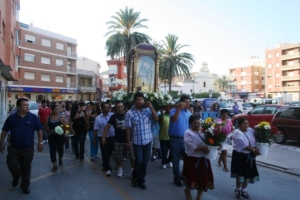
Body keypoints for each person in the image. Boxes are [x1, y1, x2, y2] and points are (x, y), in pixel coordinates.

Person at [0, 98, 43, 194]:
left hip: (28, 148)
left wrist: (40, 143)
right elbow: (4, 130)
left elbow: (39, 130)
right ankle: (16, 175)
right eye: (25, 105)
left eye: (27, 105)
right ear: (19, 107)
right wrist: (1, 143)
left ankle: (25, 185)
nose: (27, 106)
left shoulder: (33, 117)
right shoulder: (11, 118)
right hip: (13, 147)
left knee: (26, 167)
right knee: (11, 164)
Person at [125, 92, 158, 189]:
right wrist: (128, 142)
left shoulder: (148, 110)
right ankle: (134, 178)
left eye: (141, 99)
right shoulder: (129, 113)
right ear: (134, 101)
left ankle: (141, 180)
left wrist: (151, 107)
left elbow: (156, 119)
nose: (140, 101)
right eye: (137, 100)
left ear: (143, 100)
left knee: (145, 162)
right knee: (138, 161)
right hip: (137, 142)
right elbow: (128, 128)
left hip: (148, 141)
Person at [182, 115, 214, 200]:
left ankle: (198, 198)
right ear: (190, 124)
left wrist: (213, 146)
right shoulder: (188, 133)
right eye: (194, 123)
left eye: (198, 123)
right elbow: (190, 146)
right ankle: (187, 191)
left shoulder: (204, 131)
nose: (197, 125)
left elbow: (210, 141)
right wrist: (202, 149)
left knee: (202, 180)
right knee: (192, 179)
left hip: (204, 159)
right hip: (192, 160)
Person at [102, 101, 134, 178]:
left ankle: (133, 171)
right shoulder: (113, 116)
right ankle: (120, 169)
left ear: (124, 107)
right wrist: (103, 137)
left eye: (121, 106)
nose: (120, 108)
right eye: (118, 107)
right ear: (115, 108)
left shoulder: (129, 115)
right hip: (118, 140)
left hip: (129, 140)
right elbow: (107, 126)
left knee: (132, 157)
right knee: (118, 157)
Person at [231, 118, 260, 199]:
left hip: (250, 155)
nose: (246, 125)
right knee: (240, 174)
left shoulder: (251, 130)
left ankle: (244, 190)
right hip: (240, 156)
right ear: (239, 124)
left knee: (248, 174)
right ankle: (238, 190)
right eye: (244, 123)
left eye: (247, 123)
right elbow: (243, 145)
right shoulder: (237, 133)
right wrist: (254, 150)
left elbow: (257, 139)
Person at [168, 95, 192, 187]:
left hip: (185, 140)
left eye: (189, 103)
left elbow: (190, 127)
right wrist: (178, 108)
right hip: (175, 139)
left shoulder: (189, 113)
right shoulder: (173, 110)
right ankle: (177, 178)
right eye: (185, 102)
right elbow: (173, 120)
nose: (187, 104)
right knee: (176, 161)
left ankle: (183, 175)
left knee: (188, 160)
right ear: (181, 102)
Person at [44, 104, 67, 172]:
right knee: (52, 151)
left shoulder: (61, 117)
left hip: (60, 137)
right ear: (52, 110)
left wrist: (63, 125)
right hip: (52, 137)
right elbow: (44, 127)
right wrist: (51, 130)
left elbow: (67, 126)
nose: (57, 111)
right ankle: (54, 165)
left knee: (60, 150)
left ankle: (60, 158)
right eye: (55, 109)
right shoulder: (49, 118)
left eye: (58, 109)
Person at [94, 102, 115, 176]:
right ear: (102, 109)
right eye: (105, 107)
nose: (107, 108)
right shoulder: (98, 118)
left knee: (110, 152)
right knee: (105, 152)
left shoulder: (112, 115)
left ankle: (104, 163)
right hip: (103, 138)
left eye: (108, 107)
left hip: (112, 137)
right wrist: (94, 139)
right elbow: (95, 129)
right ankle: (108, 168)